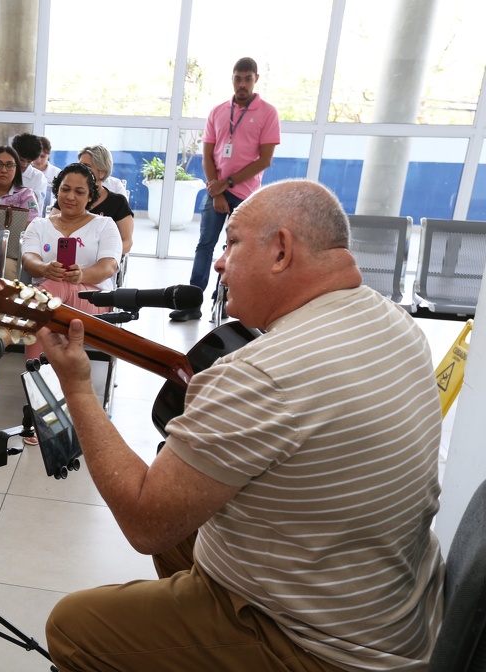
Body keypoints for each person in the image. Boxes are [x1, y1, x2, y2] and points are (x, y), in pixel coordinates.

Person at [40, 179, 444, 672]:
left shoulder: (265, 372)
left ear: (280, 251)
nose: (218, 261)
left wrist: (79, 388)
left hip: (324, 647)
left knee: (73, 626)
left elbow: (144, 522)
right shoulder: (392, 320)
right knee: (183, 535)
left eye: (231, 242)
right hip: (394, 608)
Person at [172, 56, 281, 322]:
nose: (242, 84)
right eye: (237, 78)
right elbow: (207, 155)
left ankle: (228, 302)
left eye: (247, 79)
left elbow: (264, 160)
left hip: (246, 196)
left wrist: (228, 184)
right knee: (204, 245)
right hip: (216, 191)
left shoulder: (268, 113)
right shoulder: (218, 111)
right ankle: (192, 302)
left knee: (238, 249)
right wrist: (217, 191)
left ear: (256, 79)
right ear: (232, 78)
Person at [18, 162, 120, 362]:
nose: (70, 196)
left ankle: (1, 341)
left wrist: (82, 275)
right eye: (65, 189)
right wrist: (45, 269)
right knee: (46, 314)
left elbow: (108, 267)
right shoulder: (39, 225)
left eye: (79, 192)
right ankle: (37, 383)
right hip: (47, 303)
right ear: (57, 191)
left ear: (90, 196)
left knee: (57, 286)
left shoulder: (105, 224)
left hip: (93, 301)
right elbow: (28, 260)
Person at [56, 144, 134, 255]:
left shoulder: (118, 202)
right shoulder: (68, 198)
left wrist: (103, 256)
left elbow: (127, 242)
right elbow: (53, 227)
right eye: (79, 165)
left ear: (102, 172)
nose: (80, 170)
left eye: (86, 166)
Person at [0, 146, 39, 220]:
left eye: (9, 165)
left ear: (16, 169)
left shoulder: (26, 195)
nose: (4, 170)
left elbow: (30, 225)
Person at [11, 132, 49, 213]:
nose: (24, 164)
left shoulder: (38, 178)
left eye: (29, 161)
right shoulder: (4, 172)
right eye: (21, 159)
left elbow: (33, 205)